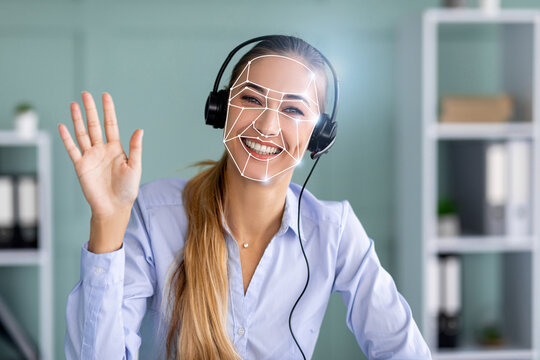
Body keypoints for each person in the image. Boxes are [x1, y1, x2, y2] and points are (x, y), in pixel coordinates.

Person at [59, 35, 432, 360]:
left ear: (319, 137)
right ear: (220, 111)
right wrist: (107, 221)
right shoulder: (156, 215)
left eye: (293, 109)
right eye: (252, 99)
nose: (267, 126)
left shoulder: (333, 231)